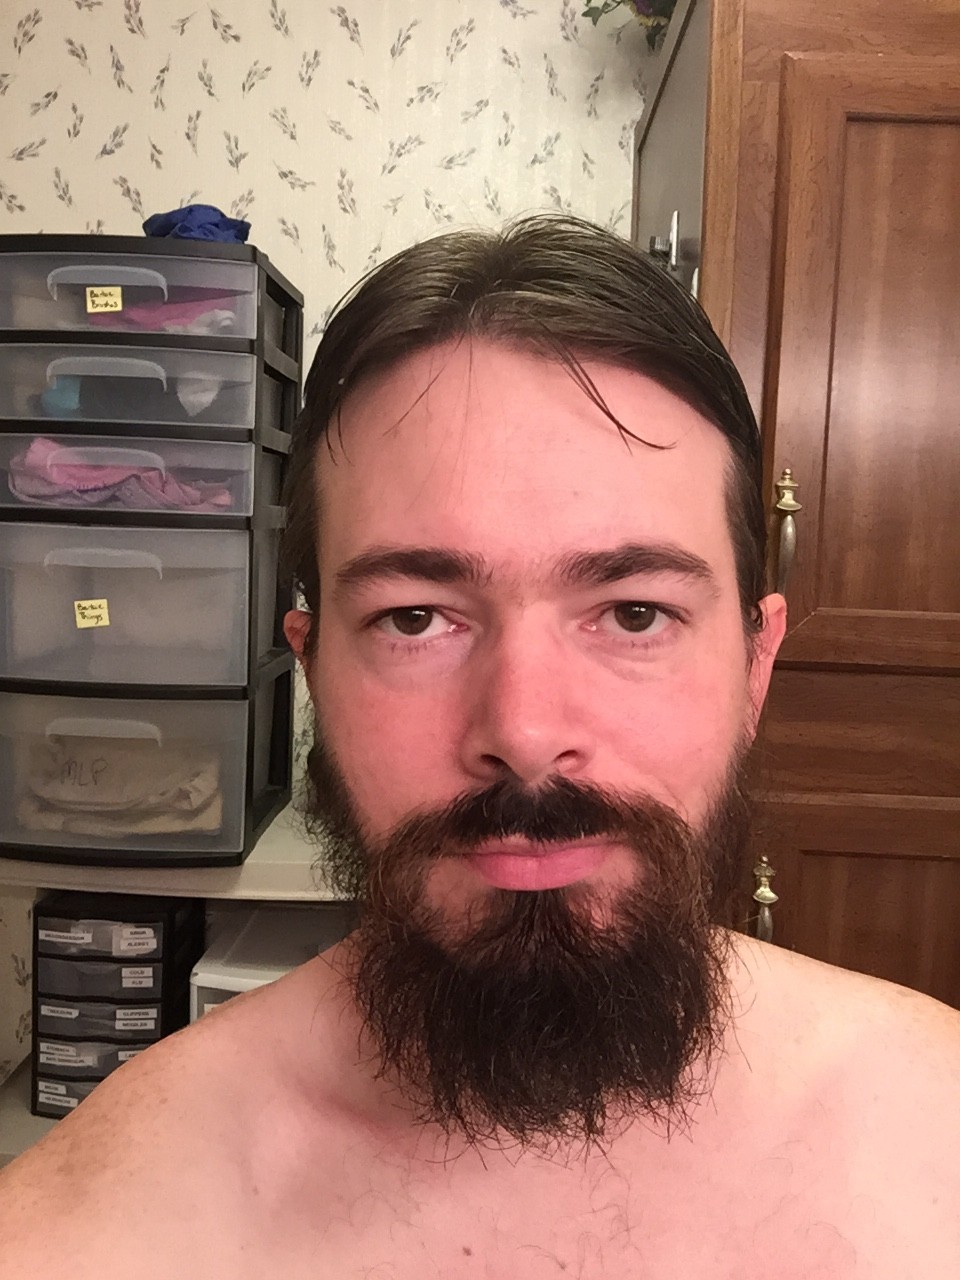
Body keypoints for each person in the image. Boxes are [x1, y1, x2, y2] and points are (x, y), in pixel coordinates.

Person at [1, 215, 958, 1278]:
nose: (526, 733)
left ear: (755, 665)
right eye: (415, 618)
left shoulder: (931, 1135)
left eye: (635, 612)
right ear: (313, 671)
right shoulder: (112, 1215)